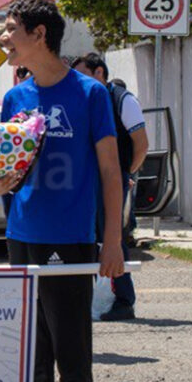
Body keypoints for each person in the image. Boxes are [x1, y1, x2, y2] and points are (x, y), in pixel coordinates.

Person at [0, 0, 124, 382]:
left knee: (72, 352)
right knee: (32, 352)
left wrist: (112, 242)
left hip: (69, 240)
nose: (3, 38)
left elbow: (110, 171)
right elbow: (8, 172)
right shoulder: (15, 96)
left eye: (10, 29)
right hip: (21, 238)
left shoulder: (90, 93)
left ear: (39, 34)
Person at [73, 53, 149, 321]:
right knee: (89, 239)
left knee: (113, 238)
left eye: (83, 74)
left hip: (112, 183)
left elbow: (141, 144)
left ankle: (123, 300)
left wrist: (127, 173)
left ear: (99, 73)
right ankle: (93, 297)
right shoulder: (85, 100)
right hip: (87, 183)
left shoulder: (122, 100)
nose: (78, 81)